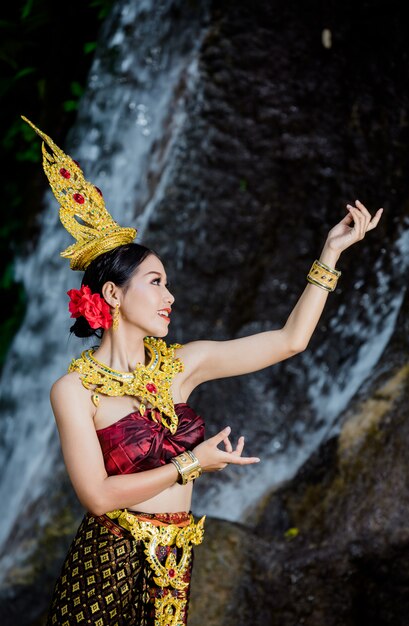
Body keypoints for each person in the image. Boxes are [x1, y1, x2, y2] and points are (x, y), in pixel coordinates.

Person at [22, 115, 383, 626]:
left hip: (175, 563)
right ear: (112, 294)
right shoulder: (75, 390)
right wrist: (193, 464)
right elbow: (99, 497)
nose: (169, 296)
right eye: (155, 282)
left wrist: (331, 253)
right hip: (107, 566)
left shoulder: (186, 364)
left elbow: (290, 341)